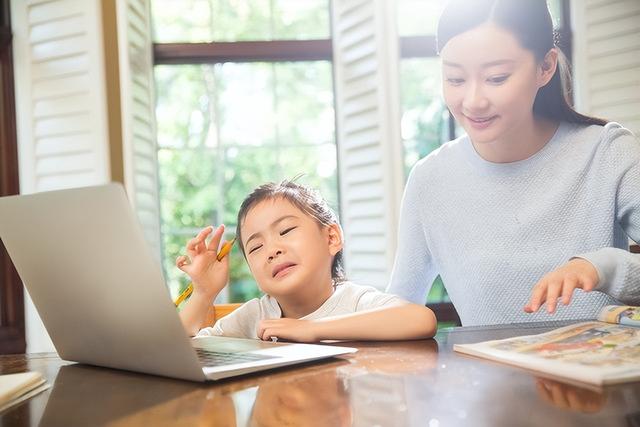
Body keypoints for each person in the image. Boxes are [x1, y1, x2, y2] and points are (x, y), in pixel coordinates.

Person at [387, 0, 640, 326]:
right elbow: (400, 307)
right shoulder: (430, 179)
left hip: (595, 375)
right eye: (455, 79)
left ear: (545, 67)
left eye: (497, 77)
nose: (473, 101)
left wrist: (604, 267)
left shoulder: (607, 153)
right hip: (488, 376)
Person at [178, 180, 437, 341]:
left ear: (331, 237)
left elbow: (421, 320)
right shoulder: (254, 315)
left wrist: (311, 328)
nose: (272, 250)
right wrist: (202, 293)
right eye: (256, 247)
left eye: (286, 231)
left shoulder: (355, 301)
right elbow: (184, 350)